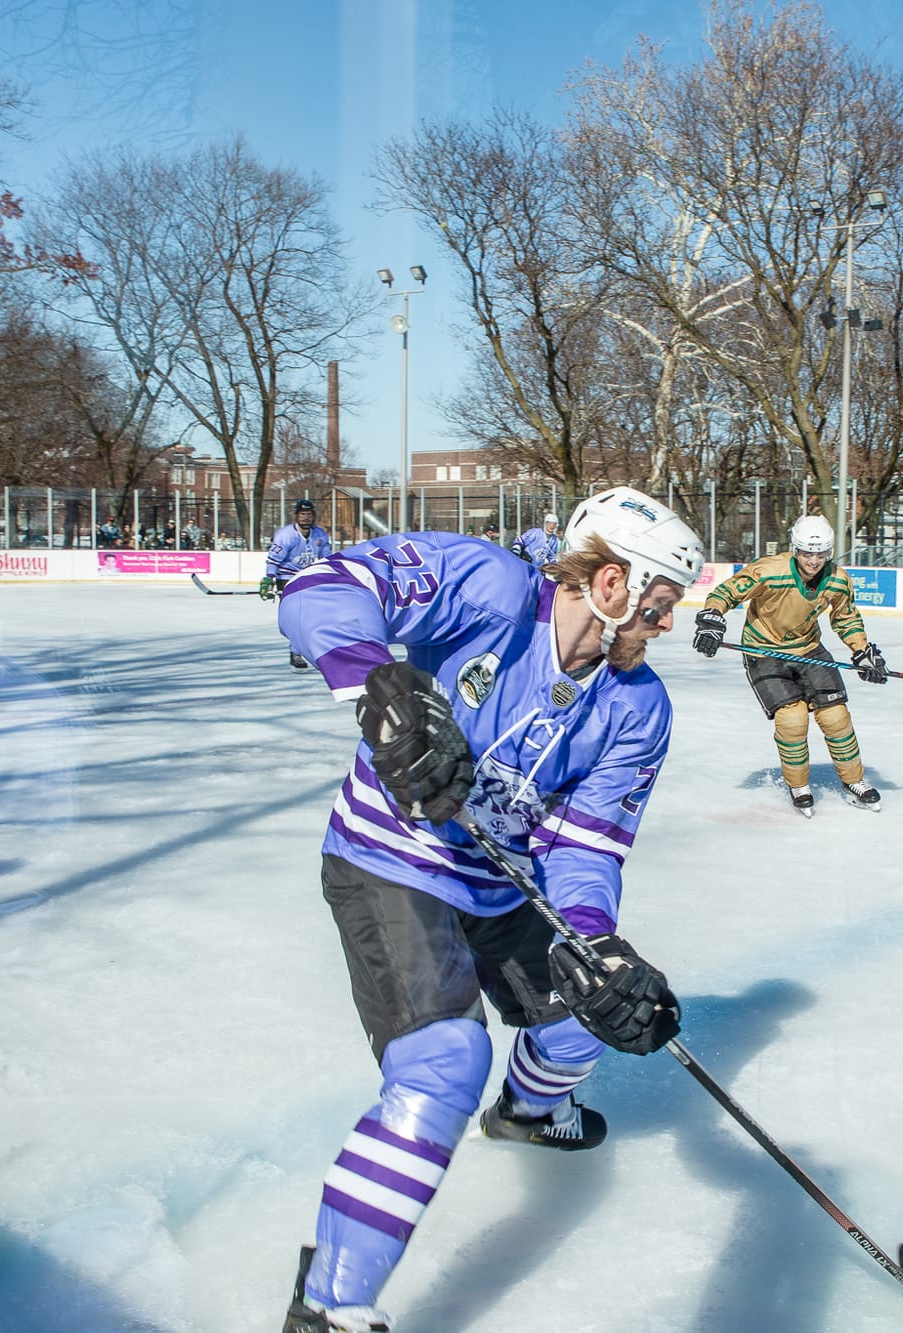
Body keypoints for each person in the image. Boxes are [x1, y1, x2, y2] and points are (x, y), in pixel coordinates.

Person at [274, 487, 701, 1332]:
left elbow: (585, 848)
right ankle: (327, 1305)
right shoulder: (489, 587)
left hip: (503, 885)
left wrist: (595, 945)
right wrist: (379, 681)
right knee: (444, 1063)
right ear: (612, 584)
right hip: (392, 860)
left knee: (583, 1014)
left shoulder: (639, 707)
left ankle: (532, 1113)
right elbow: (321, 585)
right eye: (659, 606)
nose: (666, 626)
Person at [691, 514, 886, 817]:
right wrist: (712, 618)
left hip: (809, 649)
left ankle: (854, 781)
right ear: (796, 549)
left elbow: (845, 617)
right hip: (763, 650)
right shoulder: (769, 571)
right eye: (808, 553)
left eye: (820, 553)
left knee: (836, 716)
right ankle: (798, 785)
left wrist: (862, 651)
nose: (813, 560)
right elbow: (727, 592)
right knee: (793, 719)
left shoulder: (836, 579)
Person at [263, 500, 335, 670]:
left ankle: (303, 650)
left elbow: (327, 558)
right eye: (302, 514)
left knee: (311, 617)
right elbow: (273, 559)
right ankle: (295, 652)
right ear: (296, 516)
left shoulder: (320, 534)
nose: (306, 518)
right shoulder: (286, 535)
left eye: (309, 514)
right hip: (287, 576)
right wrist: (269, 579)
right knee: (297, 616)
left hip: (308, 576)